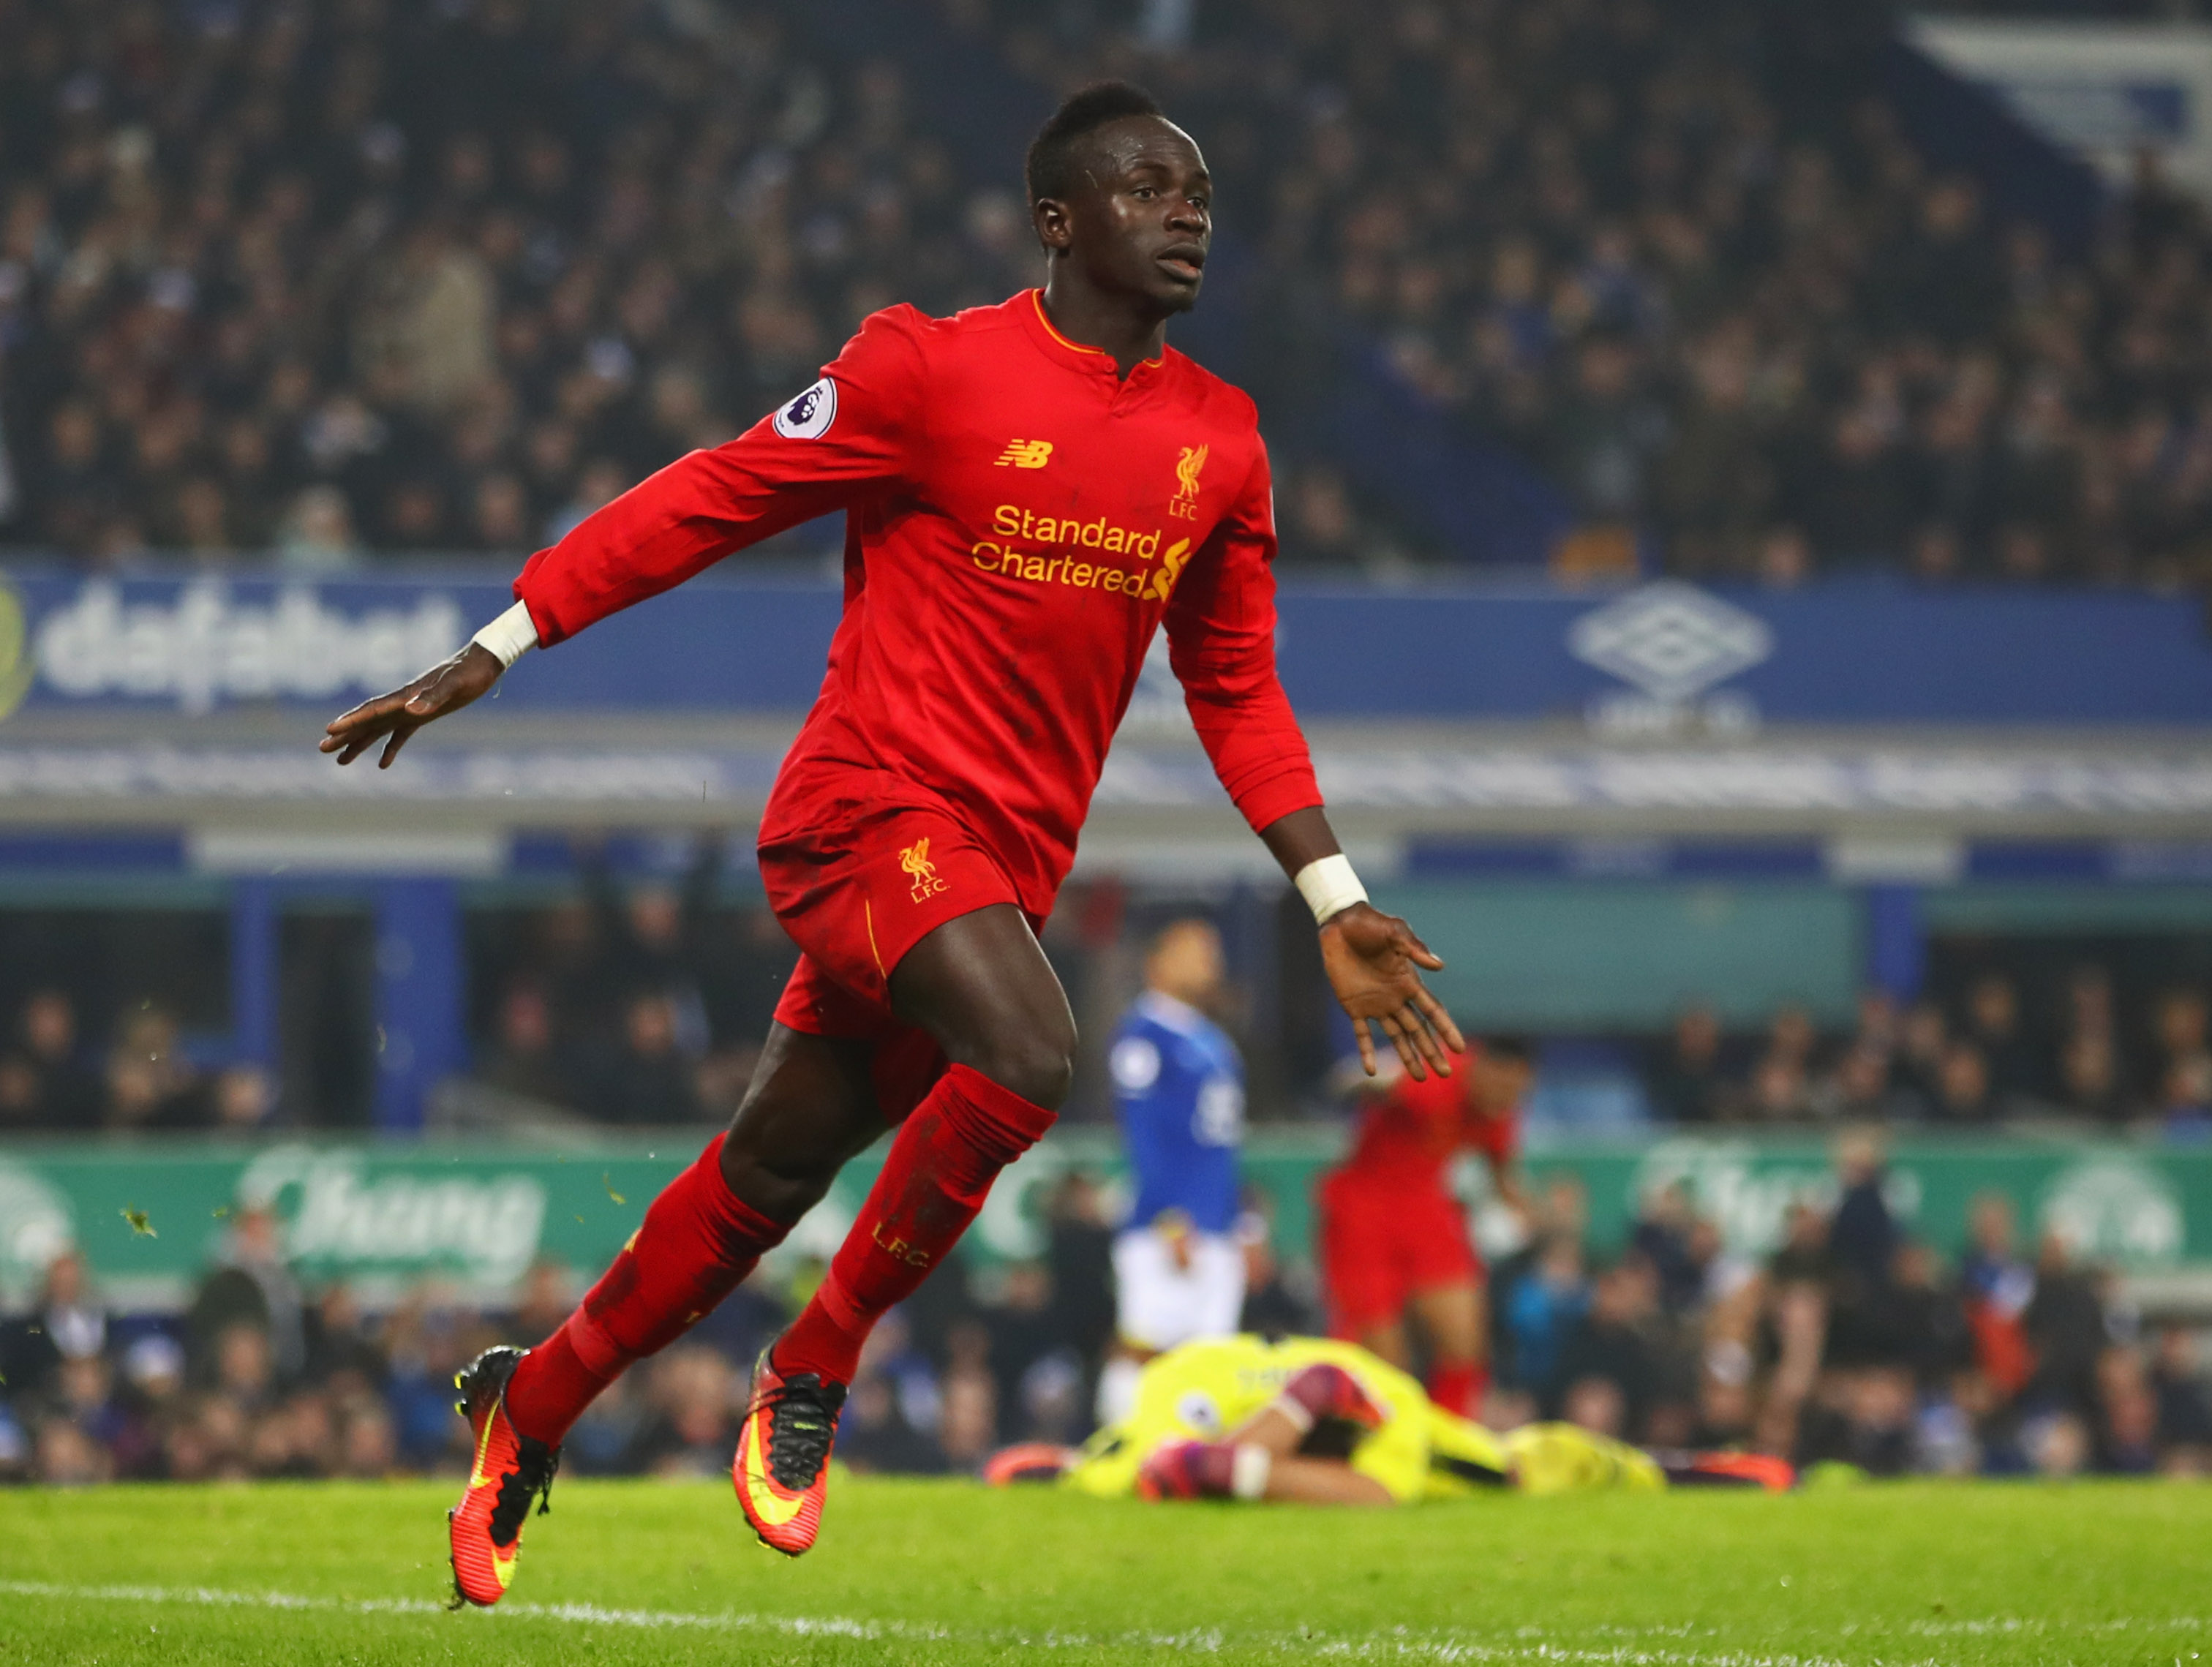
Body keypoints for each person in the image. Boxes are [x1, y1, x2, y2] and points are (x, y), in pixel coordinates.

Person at [320, 81, 1462, 1607]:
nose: (1186, 210)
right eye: (1145, 186)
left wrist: (1333, 895)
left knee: (766, 1172)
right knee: (1032, 1051)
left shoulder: (1220, 442)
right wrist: (503, 638)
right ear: (1059, 221)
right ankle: (815, 1361)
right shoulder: (928, 368)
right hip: (864, 811)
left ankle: (529, 1402)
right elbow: (711, 496)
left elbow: (1236, 685)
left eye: (1196, 191)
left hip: (998, 866)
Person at [985, 1333, 1791, 1506]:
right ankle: (1056, 1459)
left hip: (1351, 1389)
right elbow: (1165, 1464)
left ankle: (1682, 1467)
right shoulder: (1187, 1380)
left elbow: (1379, 1495)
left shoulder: (1389, 1406)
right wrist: (1235, 1464)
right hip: (1232, 1390)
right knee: (1119, 1464)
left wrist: (1233, 1469)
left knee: (1512, 1466)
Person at [1314, 1036, 1534, 1418]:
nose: (1507, 1101)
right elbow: (1356, 1082)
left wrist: (1529, 1210)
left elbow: (1502, 1170)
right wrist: (1368, 1079)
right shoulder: (1436, 1075)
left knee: (1465, 1344)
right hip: (1364, 1213)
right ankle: (1388, 1448)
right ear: (1482, 1068)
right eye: (1504, 1088)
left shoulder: (1499, 1107)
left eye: (1518, 1093)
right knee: (1383, 1364)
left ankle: (1446, 1443)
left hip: (1427, 1210)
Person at [1099, 918, 1247, 1424]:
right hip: (1166, 1225)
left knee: (1210, 1356)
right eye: (1195, 950)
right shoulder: (1144, 1035)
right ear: (1157, 961)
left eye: (1213, 950)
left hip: (1215, 1223)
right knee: (1146, 1340)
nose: (1210, 962)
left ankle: (1190, 1462)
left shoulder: (1209, 1037)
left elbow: (1221, 1147)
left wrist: (1242, 1222)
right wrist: (1169, 1218)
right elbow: (1143, 1136)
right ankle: (1117, 1441)